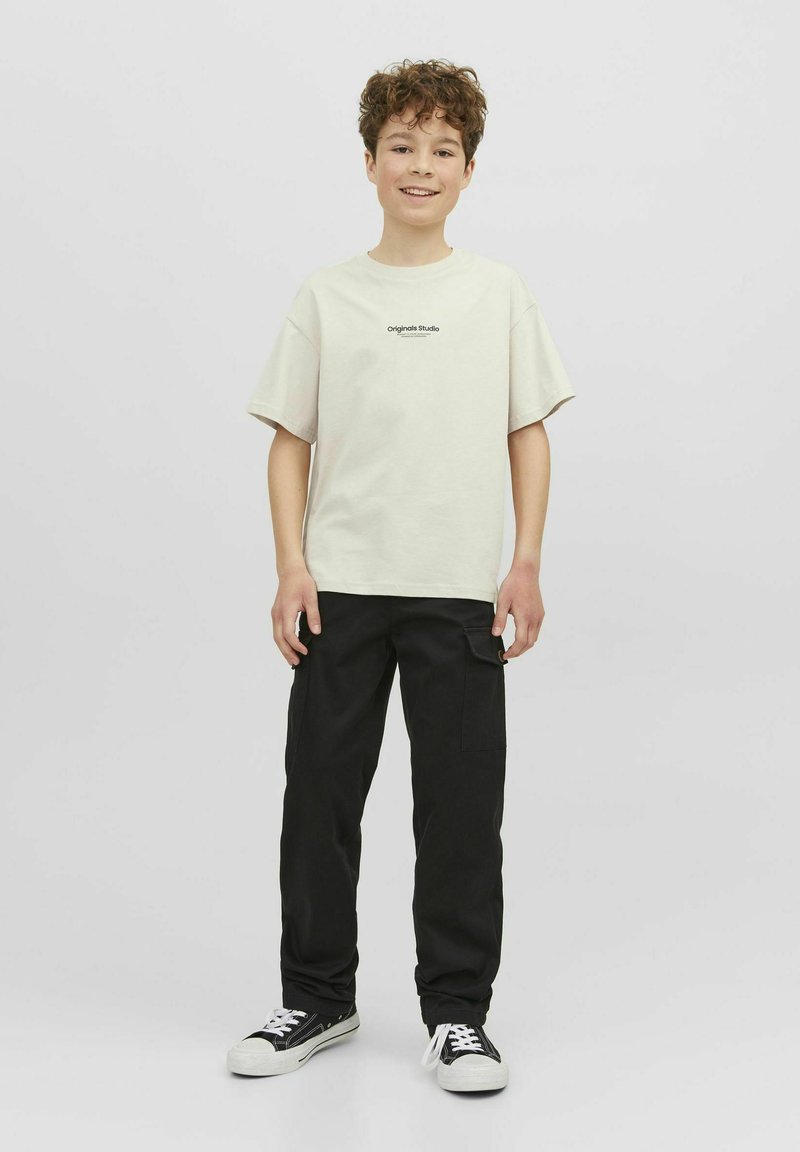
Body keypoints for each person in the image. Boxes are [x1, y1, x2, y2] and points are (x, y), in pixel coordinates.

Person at [226, 57, 576, 1094]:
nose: (420, 165)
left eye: (442, 149)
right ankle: (316, 997)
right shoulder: (328, 295)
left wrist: (524, 563)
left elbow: (527, 431)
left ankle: (457, 1015)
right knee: (319, 799)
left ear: (468, 169)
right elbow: (289, 438)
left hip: (460, 593)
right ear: (370, 161)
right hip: (341, 588)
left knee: (460, 810)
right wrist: (291, 566)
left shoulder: (496, 292)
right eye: (401, 146)